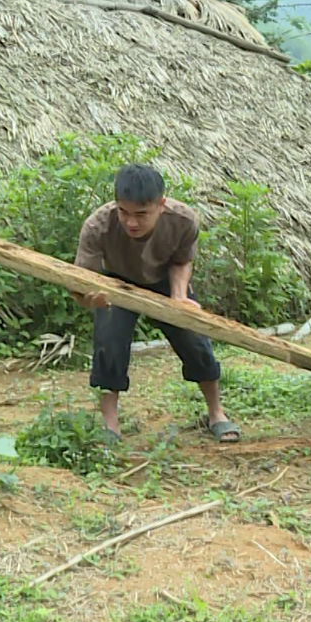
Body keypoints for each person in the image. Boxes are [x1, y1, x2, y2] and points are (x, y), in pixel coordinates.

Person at [71, 164, 240, 444]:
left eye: (141, 214)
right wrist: (88, 297)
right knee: (108, 343)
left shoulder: (183, 220)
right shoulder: (97, 225)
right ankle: (109, 426)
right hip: (115, 282)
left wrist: (178, 296)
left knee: (195, 340)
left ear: (161, 205)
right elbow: (78, 281)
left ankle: (217, 414)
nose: (131, 222)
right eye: (123, 212)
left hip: (163, 278)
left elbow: (182, 260)